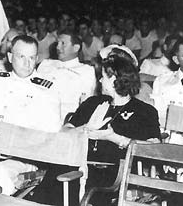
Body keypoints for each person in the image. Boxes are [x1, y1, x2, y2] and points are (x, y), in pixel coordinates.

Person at [0, 35, 62, 195]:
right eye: (21, 57)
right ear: (10, 57)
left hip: (19, 159)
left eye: (32, 58)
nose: (27, 63)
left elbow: (51, 133)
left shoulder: (47, 90)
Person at [65, 55, 160, 204]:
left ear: (116, 79)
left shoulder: (145, 111)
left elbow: (154, 149)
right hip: (76, 166)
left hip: (114, 175)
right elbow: (63, 132)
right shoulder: (92, 103)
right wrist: (86, 128)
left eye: (103, 77)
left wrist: (113, 137)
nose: (100, 81)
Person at [37, 33, 96, 121]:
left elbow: (85, 104)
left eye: (63, 43)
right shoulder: (45, 64)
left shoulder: (86, 71)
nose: (58, 47)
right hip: (40, 115)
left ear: (76, 48)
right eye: (58, 43)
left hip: (66, 120)